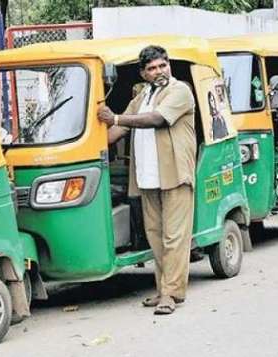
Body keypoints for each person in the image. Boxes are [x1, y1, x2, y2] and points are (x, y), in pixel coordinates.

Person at [98, 45, 196, 315]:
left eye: (162, 65)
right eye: (152, 68)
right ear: (143, 73)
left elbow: (157, 119)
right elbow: (119, 129)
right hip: (147, 177)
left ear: (169, 66)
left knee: (174, 237)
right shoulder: (141, 96)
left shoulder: (179, 90)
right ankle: (163, 288)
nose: (159, 71)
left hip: (175, 175)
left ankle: (171, 294)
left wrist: (115, 116)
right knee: (155, 236)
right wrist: (93, 140)